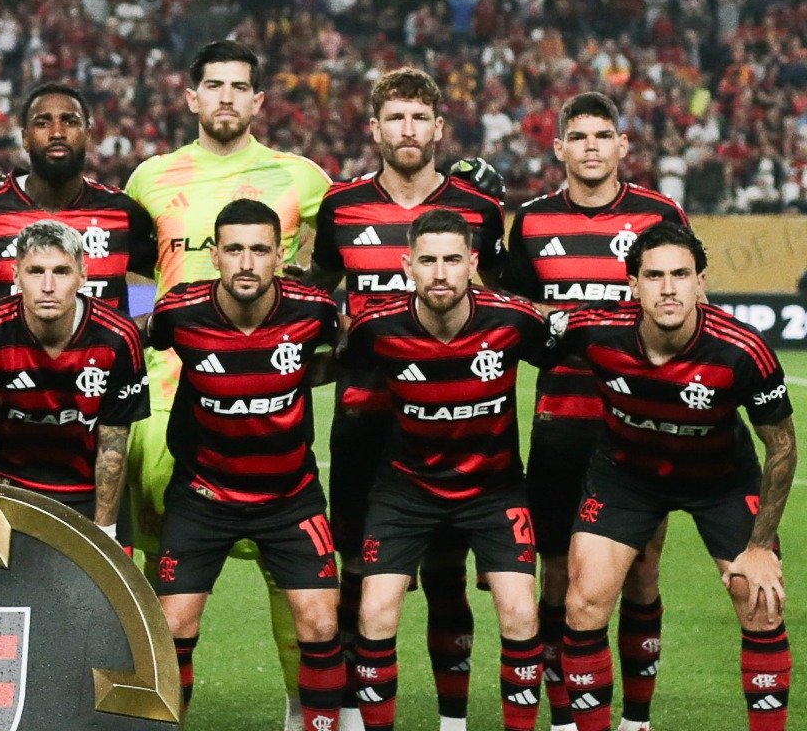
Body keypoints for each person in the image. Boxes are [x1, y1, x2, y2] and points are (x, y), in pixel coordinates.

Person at [125, 39, 332, 728]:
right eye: (213, 85)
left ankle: (300, 710)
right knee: (161, 566)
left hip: (270, 392)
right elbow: (134, 275)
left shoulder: (301, 178)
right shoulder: (151, 178)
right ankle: (158, 705)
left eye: (239, 86)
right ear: (192, 96)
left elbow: (330, 269)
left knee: (288, 571)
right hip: (168, 397)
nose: (225, 97)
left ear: (258, 100)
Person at [309, 65, 508, 730]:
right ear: (375, 129)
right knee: (356, 574)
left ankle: (452, 721)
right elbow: (316, 292)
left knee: (447, 575)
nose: (408, 129)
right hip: (365, 418)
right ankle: (348, 714)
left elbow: (504, 300)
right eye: (395, 117)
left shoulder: (477, 210)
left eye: (420, 117)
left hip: (455, 424)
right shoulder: (341, 206)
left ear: (439, 128)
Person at [555, 223, 795, 731]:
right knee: (584, 603)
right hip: (625, 476)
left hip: (721, 480)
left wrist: (759, 546)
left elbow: (782, 445)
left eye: (681, 275)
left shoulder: (741, 349)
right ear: (633, 285)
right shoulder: (593, 330)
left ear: (700, 282)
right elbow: (521, 330)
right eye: (654, 276)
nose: (668, 288)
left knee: (760, 601)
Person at [501, 92, 688, 731]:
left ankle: (635, 720)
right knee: (556, 575)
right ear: (559, 148)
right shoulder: (530, 222)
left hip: (640, 424)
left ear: (622, 145)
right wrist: (558, 323)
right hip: (561, 422)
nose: (590, 147)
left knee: (642, 571)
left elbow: (684, 309)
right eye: (578, 137)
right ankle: (563, 718)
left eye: (602, 136)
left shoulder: (660, 215)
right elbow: (516, 320)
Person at [341, 209, 548, 731]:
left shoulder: (514, 321)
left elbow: (576, 356)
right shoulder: (375, 327)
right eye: (428, 261)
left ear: (472, 264)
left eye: (452, 260)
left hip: (495, 489)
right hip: (405, 490)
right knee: (375, 612)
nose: (440, 273)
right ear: (407, 265)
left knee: (521, 612)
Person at [147, 200, 343, 729]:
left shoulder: (313, 309)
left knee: (322, 625)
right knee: (172, 628)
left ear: (281, 255)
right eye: (234, 249)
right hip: (202, 496)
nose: (247, 263)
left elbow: (352, 343)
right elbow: (132, 340)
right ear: (214, 255)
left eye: (260, 250)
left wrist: (312, 374)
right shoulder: (180, 312)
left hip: (291, 497)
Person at [0, 219, 148, 540]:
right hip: (12, 490)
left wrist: (105, 531)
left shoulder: (118, 337)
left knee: (107, 572)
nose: (48, 286)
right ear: (16, 276)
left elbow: (113, 445)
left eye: (62, 271)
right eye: (35, 271)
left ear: (83, 276)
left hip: (89, 491)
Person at [0, 82, 156, 313]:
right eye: (42, 123)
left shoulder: (124, 213)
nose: (57, 133)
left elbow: (170, 276)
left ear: (88, 135)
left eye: (70, 121)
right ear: (25, 138)